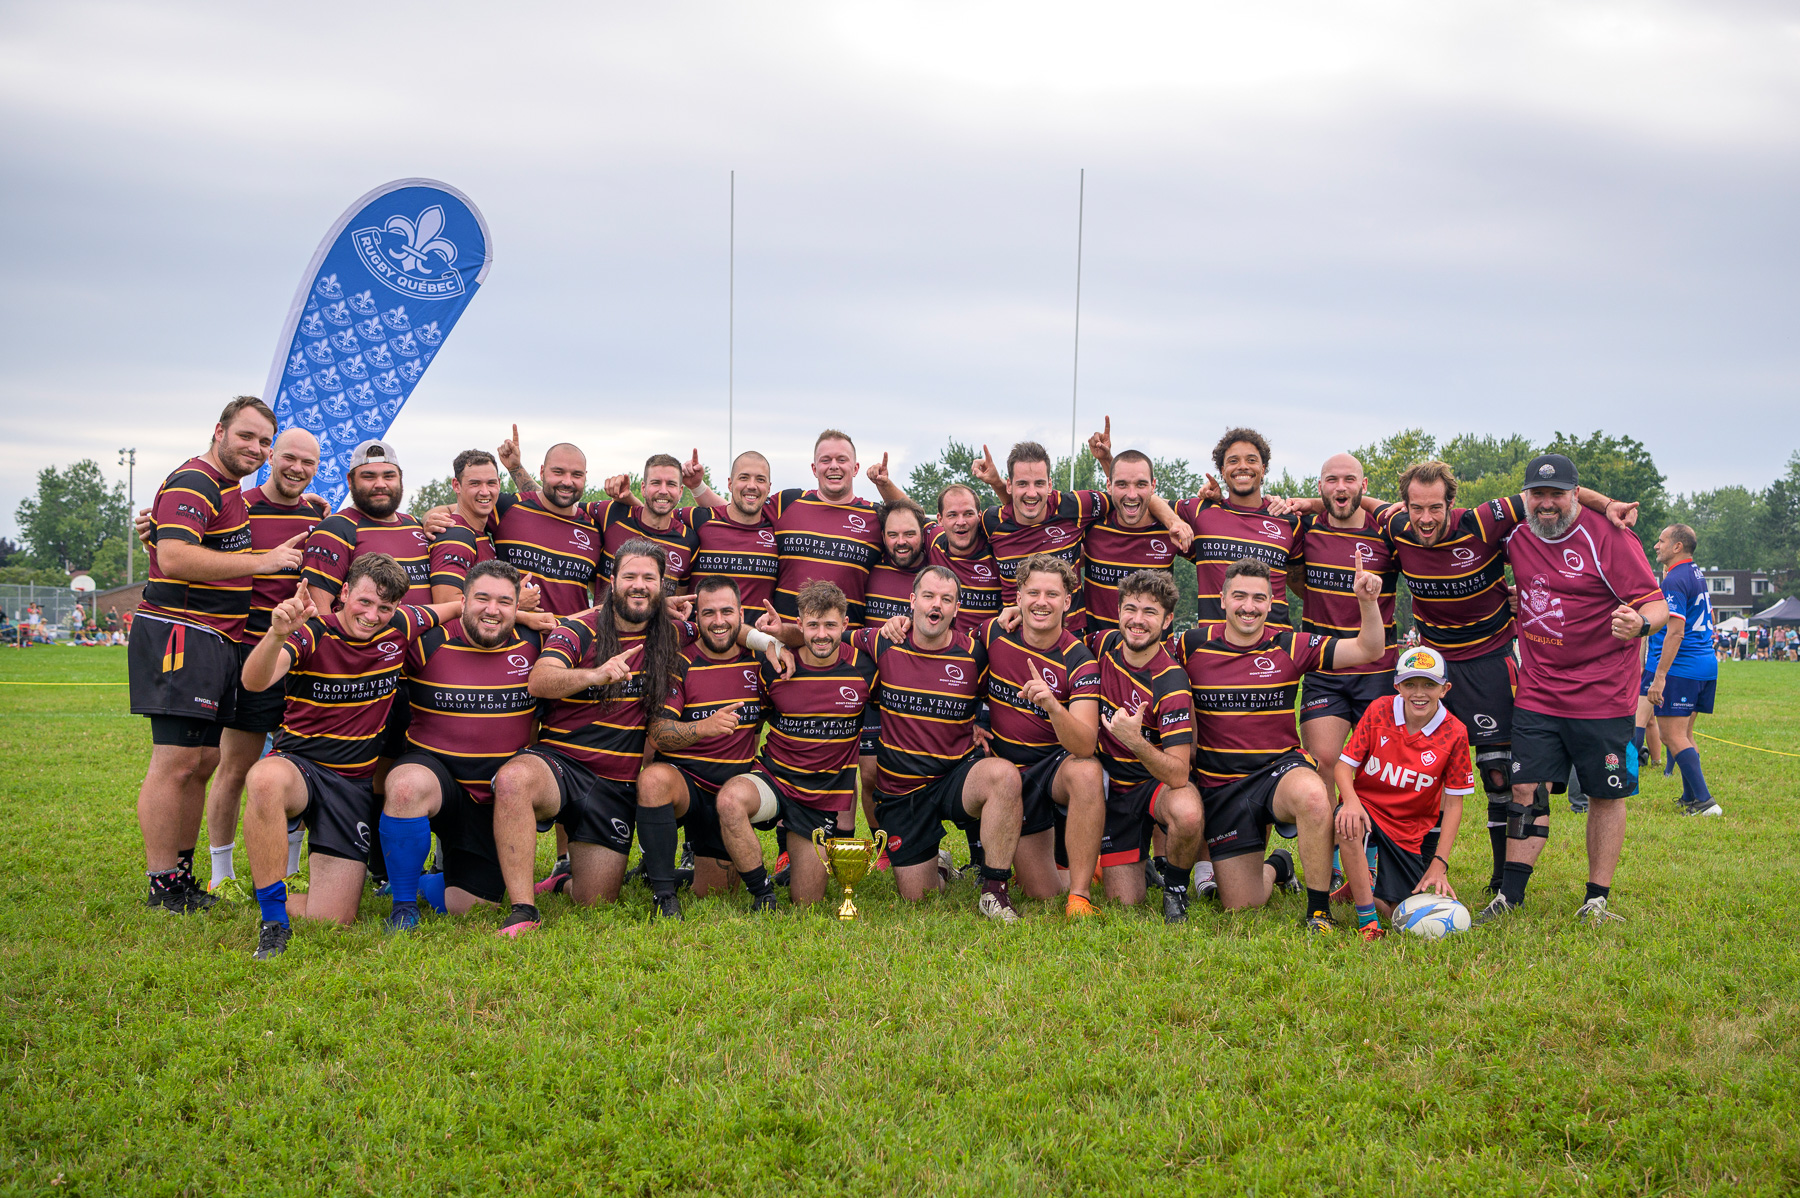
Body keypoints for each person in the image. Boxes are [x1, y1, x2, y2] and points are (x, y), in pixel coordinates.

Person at [490, 540, 786, 933]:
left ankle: (562, 882)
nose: (639, 584)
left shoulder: (672, 633)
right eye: (629, 575)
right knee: (513, 779)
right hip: (562, 765)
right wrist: (594, 675)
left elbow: (726, 625)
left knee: (596, 900)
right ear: (612, 581)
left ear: (662, 586)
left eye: (649, 577)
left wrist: (770, 643)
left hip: (615, 785)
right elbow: (539, 681)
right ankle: (523, 910)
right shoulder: (580, 629)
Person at [129, 396, 303, 914]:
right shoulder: (196, 480)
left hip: (213, 638)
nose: (255, 448)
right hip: (182, 634)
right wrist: (265, 561)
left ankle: (180, 878)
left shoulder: (225, 491)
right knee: (176, 762)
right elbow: (176, 556)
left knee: (202, 760)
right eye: (246, 436)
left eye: (263, 441)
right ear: (219, 430)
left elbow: (176, 542)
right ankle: (164, 884)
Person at [1479, 454, 1667, 925]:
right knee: (1525, 788)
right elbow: (1443, 520)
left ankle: (1596, 899)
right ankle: (1510, 896)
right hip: (1539, 689)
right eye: (1537, 494)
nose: (1546, 504)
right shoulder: (1516, 535)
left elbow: (1657, 603)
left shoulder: (1609, 536)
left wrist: (1640, 624)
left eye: (1556, 494)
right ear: (1525, 497)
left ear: (1574, 495)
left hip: (1602, 693)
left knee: (1605, 795)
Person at [239, 554, 459, 958]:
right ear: (344, 593)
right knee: (264, 778)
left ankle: (269, 888)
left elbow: (463, 605)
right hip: (300, 766)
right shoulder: (312, 634)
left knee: (332, 919)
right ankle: (273, 921)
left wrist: (528, 616)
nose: (373, 615)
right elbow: (255, 682)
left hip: (351, 785)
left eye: (385, 607)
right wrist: (275, 635)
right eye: (365, 602)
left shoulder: (402, 625)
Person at [1169, 556, 1387, 931]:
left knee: (1315, 794)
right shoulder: (1191, 645)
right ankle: (1279, 866)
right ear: (1222, 600)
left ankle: (1318, 911)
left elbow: (1370, 650)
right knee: (1243, 905)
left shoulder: (1289, 645)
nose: (1248, 607)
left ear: (1271, 604)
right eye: (1239, 597)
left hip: (1277, 772)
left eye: (1258, 598)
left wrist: (1367, 602)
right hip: (1222, 788)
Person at [379, 561, 555, 931]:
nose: (493, 610)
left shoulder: (536, 643)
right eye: (482, 599)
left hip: (493, 798)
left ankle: (430, 883)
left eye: (506, 601)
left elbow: (588, 625)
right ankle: (403, 903)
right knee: (405, 786)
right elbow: (391, 623)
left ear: (518, 605)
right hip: (436, 776)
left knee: (471, 908)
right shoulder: (429, 642)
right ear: (462, 601)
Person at [858, 565, 1025, 920]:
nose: (937, 605)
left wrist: (978, 726)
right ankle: (940, 865)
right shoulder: (883, 641)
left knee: (1004, 776)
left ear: (956, 608)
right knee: (918, 897)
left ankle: (994, 890)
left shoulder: (973, 654)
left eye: (946, 599)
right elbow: (824, 640)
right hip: (902, 791)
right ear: (912, 601)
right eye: (929, 596)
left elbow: (995, 696)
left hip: (953, 777)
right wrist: (776, 636)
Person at [203, 428, 326, 892]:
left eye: (308, 463)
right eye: (290, 457)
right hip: (249, 654)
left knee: (297, 767)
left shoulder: (319, 516)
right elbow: (189, 544)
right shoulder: (239, 504)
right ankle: (221, 873)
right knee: (235, 767)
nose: (297, 469)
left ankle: (291, 870)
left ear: (318, 468)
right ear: (271, 456)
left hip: (305, 664)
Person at [712, 580, 876, 909]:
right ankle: (763, 894)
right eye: (812, 625)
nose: (821, 634)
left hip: (819, 798)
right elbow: (729, 628)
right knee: (730, 800)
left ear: (845, 624)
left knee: (807, 902)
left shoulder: (864, 667)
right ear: (798, 625)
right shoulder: (775, 665)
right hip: (776, 780)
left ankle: (800, 863)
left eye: (830, 625)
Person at [979, 554, 1105, 915]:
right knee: (1041, 893)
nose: (1041, 602)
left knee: (1086, 771)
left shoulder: (1079, 658)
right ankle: (1091, 866)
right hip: (1009, 777)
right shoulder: (993, 633)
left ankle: (1080, 895)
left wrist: (1053, 706)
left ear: (1067, 601)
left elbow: (1084, 745)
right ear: (1017, 596)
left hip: (1054, 768)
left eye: (1052, 594)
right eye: (1033, 592)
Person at [968, 441, 1188, 639]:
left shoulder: (1076, 507)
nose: (1032, 492)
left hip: (1070, 637)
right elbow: (1018, 510)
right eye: (1022, 483)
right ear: (1010, 485)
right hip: (1013, 632)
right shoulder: (990, 521)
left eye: (1039, 483)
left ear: (1050, 484)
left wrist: (1172, 520)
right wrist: (996, 483)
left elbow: (1130, 494)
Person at [643, 576, 772, 903]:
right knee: (653, 780)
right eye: (708, 613)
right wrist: (704, 727)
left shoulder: (757, 660)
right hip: (687, 784)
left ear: (742, 614)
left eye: (727, 612)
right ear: (696, 618)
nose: (718, 621)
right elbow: (658, 734)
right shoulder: (680, 660)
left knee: (713, 893)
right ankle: (663, 892)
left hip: (730, 793)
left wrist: (777, 643)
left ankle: (670, 871)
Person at [1333, 644, 1474, 940]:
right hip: (1367, 807)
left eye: (1429, 684)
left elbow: (1455, 803)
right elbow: (1343, 767)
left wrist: (1439, 863)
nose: (1419, 692)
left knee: (1402, 910)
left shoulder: (1455, 732)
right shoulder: (1379, 710)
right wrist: (1351, 803)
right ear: (1398, 685)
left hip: (1407, 830)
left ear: (1445, 689)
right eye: (1410, 684)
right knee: (1350, 825)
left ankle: (1362, 888)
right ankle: (1367, 921)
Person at [1088, 570, 1205, 922]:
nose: (1138, 620)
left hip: (1154, 786)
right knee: (1124, 902)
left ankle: (1176, 889)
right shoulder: (1101, 645)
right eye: (1131, 609)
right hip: (1113, 792)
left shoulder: (1171, 678)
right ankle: (1141, 865)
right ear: (1118, 610)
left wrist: (1135, 741)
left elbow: (1179, 772)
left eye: (1150, 612)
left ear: (1168, 620)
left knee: (1187, 810)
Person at [1292, 454, 1400, 816]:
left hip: (1378, 669)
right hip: (1325, 670)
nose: (1341, 487)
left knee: (1379, 765)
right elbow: (1295, 580)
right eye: (1332, 480)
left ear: (1364, 486)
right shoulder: (1305, 529)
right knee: (1323, 762)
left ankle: (1369, 855)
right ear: (1320, 487)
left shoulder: (1386, 532)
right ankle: (1333, 864)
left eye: (1350, 480)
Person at [1173, 428, 1300, 636]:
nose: (1242, 466)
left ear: (1263, 468)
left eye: (1251, 460)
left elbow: (1301, 584)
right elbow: (1143, 500)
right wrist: (1172, 520)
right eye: (1233, 461)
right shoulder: (1200, 511)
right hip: (1214, 648)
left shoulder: (1288, 519)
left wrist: (1309, 502)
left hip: (1275, 649)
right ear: (1222, 471)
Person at [1642, 524, 1721, 817]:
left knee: (1670, 736)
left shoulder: (1675, 579)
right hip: (1706, 664)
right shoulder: (1696, 573)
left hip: (1684, 666)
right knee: (1685, 734)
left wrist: (1660, 676)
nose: (1656, 546)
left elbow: (1675, 632)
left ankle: (1704, 801)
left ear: (1677, 547)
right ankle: (1690, 796)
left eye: (1661, 540)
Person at [1082, 420, 1189, 635]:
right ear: (1109, 485)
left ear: (1153, 486)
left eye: (1141, 485)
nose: (1132, 494)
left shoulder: (1173, 530)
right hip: (1099, 657)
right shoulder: (1092, 525)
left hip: (1155, 659)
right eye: (1122, 485)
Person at [685, 451, 780, 625]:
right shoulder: (699, 519)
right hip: (702, 645)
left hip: (756, 647)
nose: (752, 485)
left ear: (769, 486)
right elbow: (654, 521)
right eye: (744, 478)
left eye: (760, 479)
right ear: (729, 483)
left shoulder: (777, 532)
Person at [595, 452, 703, 586]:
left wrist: (699, 487)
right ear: (643, 488)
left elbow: (678, 598)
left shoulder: (689, 541)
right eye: (656, 483)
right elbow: (568, 508)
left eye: (671, 484)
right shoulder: (611, 514)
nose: (663, 491)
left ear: (680, 491)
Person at [923, 482, 1004, 637]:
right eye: (952, 515)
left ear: (979, 516)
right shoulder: (934, 541)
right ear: (940, 519)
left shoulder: (997, 550)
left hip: (987, 650)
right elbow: (908, 515)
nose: (961, 522)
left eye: (968, 514)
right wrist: (884, 483)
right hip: (945, 650)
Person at [427, 449, 504, 601]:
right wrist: (513, 602)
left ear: (499, 484)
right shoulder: (456, 534)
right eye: (475, 484)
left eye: (491, 483)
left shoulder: (480, 531)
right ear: (456, 485)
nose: (484, 491)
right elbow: (446, 601)